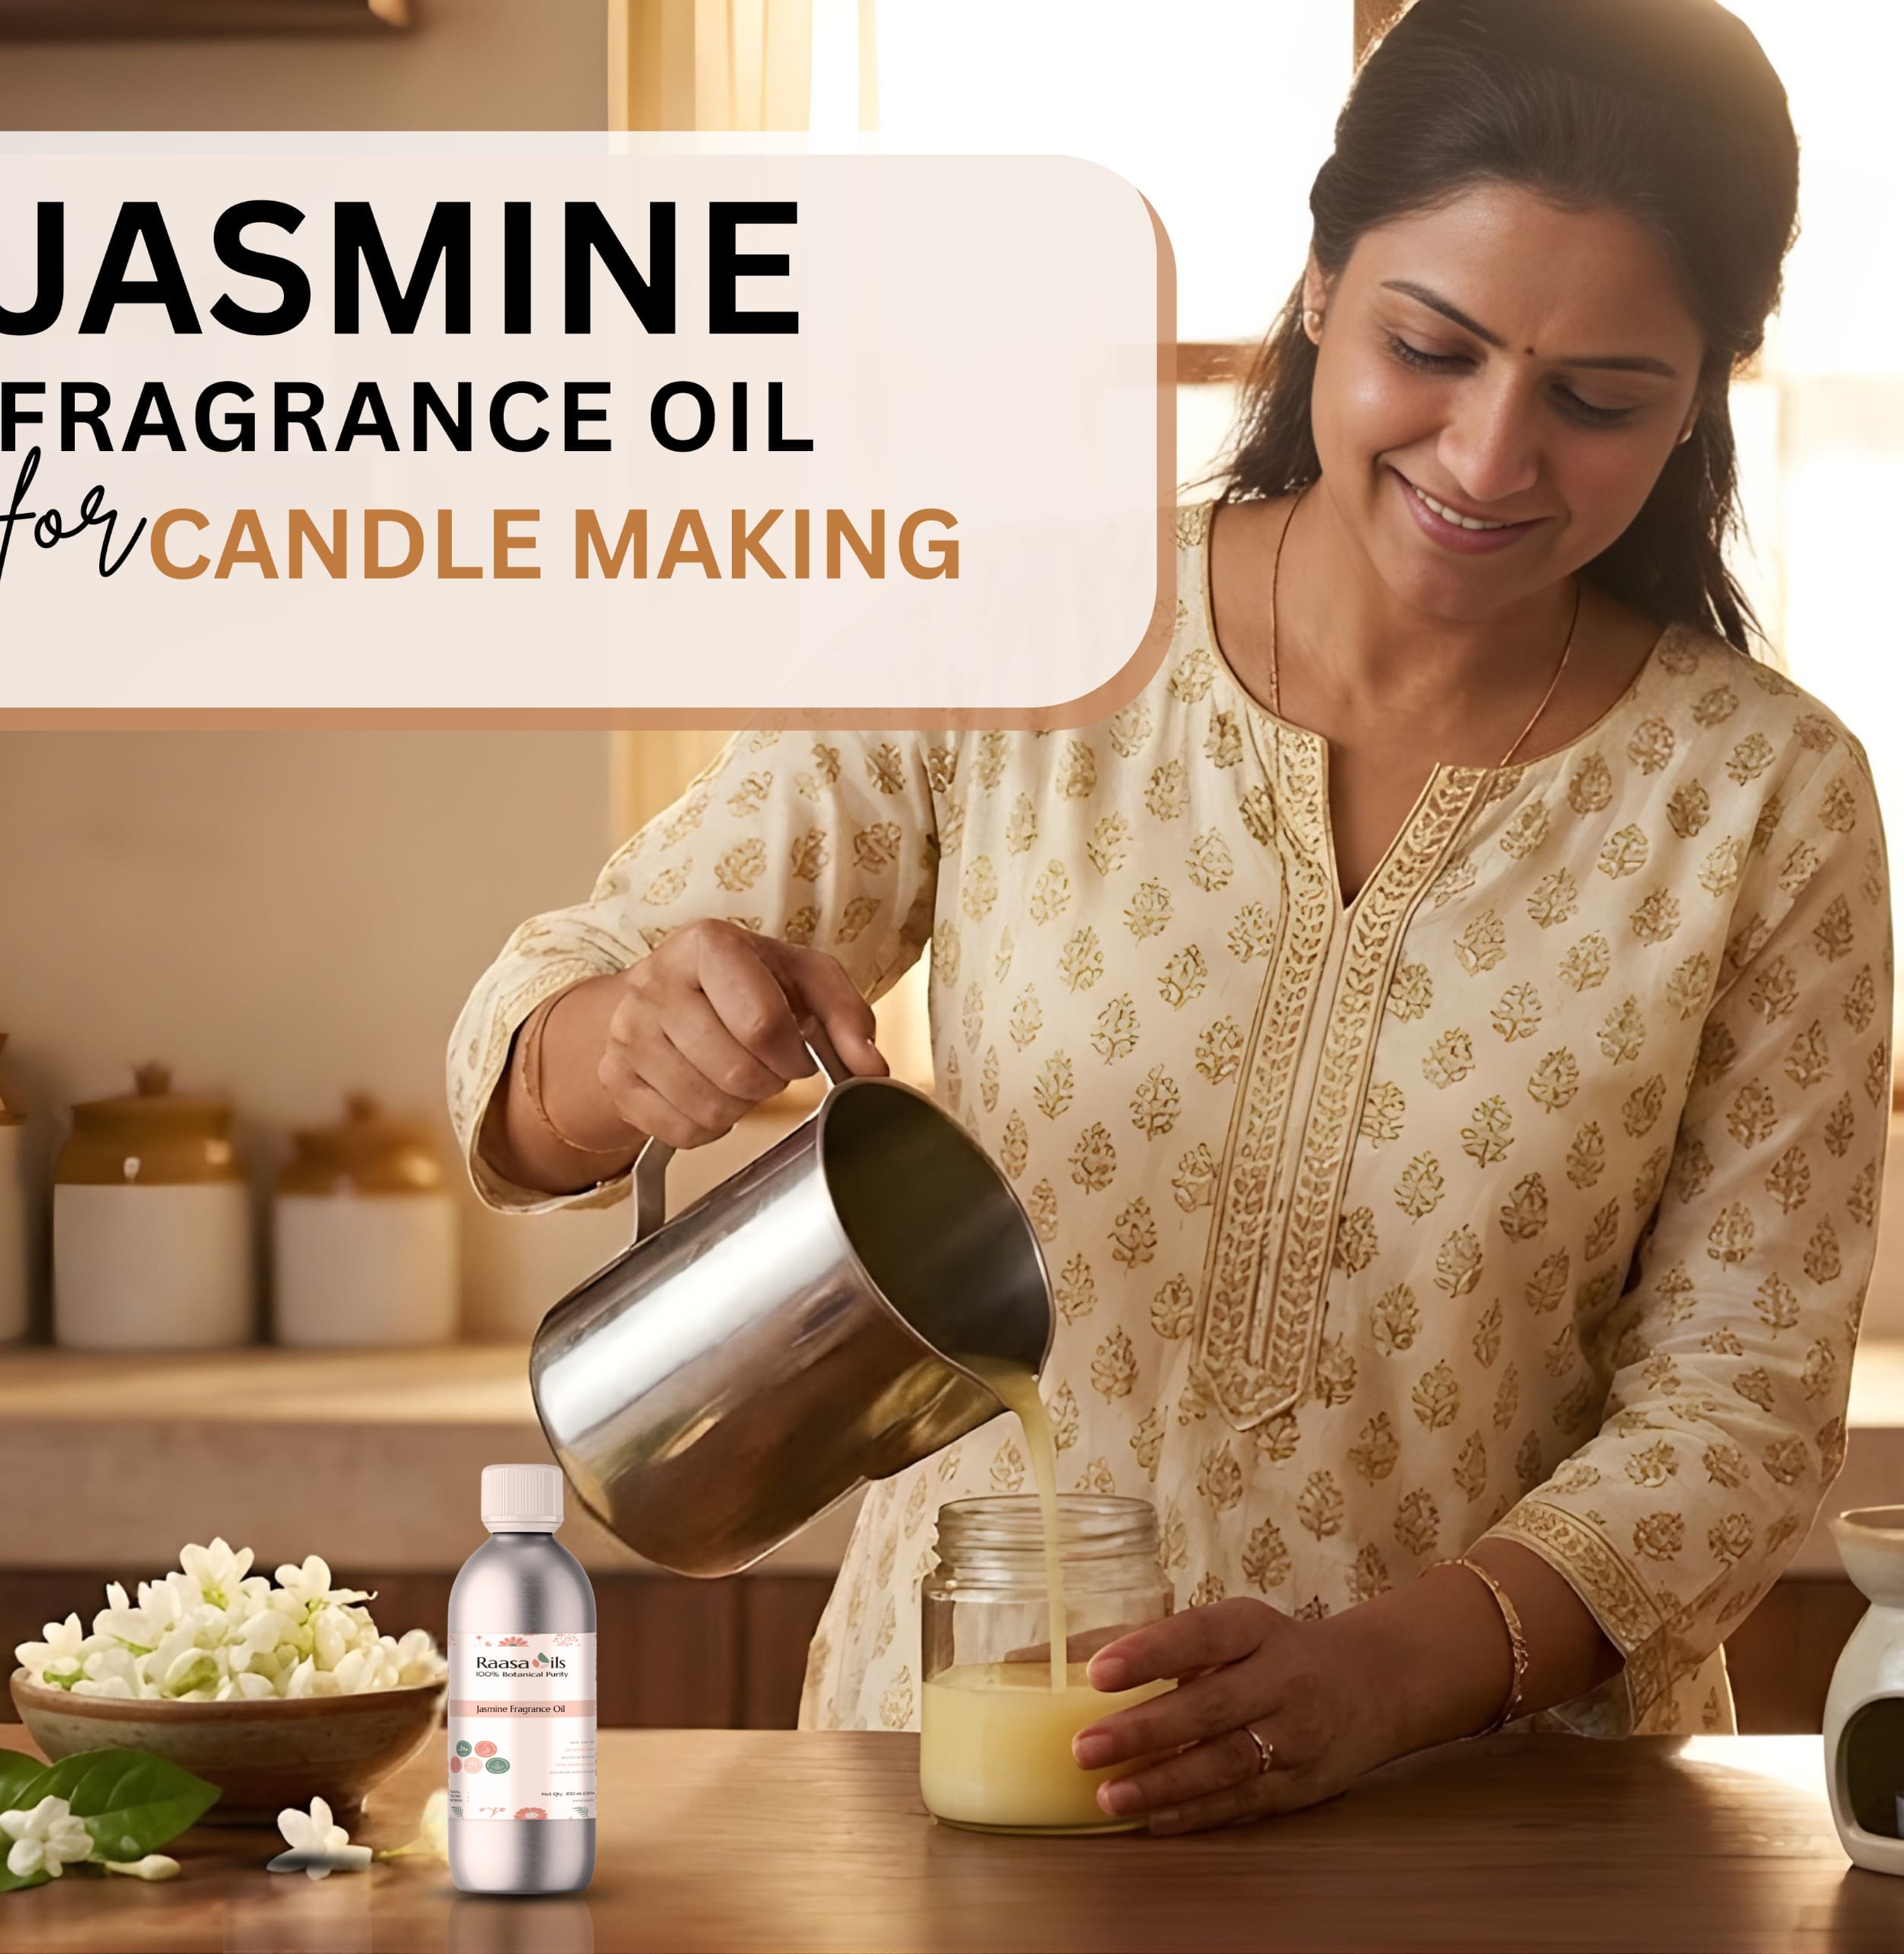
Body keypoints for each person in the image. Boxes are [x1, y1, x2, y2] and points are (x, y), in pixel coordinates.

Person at [448, 0, 1890, 1836]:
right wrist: (627, 1039)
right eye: (1426, 348)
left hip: (1486, 1825)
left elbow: (1742, 1414)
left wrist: (1382, 1673)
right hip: (950, 1791)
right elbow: (529, 1024)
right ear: (1316, 285)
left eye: (1596, 399)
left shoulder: (1762, 794)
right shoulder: (1034, 624)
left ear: (1704, 388)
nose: (1486, 454)